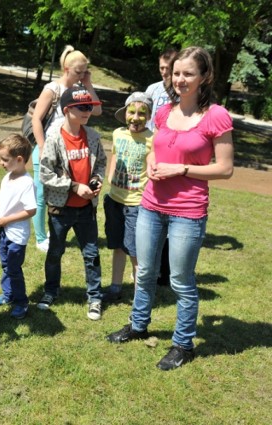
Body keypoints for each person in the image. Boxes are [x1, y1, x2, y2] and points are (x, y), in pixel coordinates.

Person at [106, 46, 234, 370]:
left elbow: (225, 168)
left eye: (188, 73)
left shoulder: (216, 115)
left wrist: (183, 170)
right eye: (176, 73)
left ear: (204, 77)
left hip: (188, 211)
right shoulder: (164, 112)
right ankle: (138, 324)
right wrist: (151, 164)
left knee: (180, 279)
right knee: (145, 271)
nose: (180, 79)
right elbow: (155, 149)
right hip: (151, 203)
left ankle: (183, 343)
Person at [37, 87, 107, 320]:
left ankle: (95, 297)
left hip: (87, 209)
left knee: (91, 253)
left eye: (90, 106)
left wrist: (96, 180)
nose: (88, 110)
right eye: (83, 107)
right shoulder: (54, 138)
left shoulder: (94, 137)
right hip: (61, 209)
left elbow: (100, 165)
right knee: (55, 252)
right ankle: (50, 291)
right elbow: (45, 174)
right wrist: (75, 186)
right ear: (67, 110)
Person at [29, 45, 103, 253]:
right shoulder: (52, 89)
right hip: (47, 149)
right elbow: (36, 119)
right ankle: (41, 238)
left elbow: (96, 110)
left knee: (64, 189)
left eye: (85, 71)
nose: (82, 75)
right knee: (43, 193)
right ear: (66, 69)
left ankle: (56, 230)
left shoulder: (80, 91)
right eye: (78, 72)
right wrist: (42, 148)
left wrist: (88, 83)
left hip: (68, 152)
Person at [103, 92, 153, 301]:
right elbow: (114, 154)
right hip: (115, 200)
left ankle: (139, 294)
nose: (136, 118)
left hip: (136, 203)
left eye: (142, 114)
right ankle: (115, 287)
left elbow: (152, 168)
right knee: (118, 246)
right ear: (125, 114)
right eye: (132, 112)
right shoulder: (118, 133)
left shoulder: (152, 138)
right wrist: (110, 175)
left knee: (135, 251)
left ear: (149, 116)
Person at [0, 134, 37, 319]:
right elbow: (0, 199)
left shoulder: (27, 183)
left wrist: (8, 220)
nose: (1, 163)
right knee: (6, 266)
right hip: (3, 231)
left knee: (14, 270)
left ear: (19, 159)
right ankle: (8, 296)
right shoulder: (7, 177)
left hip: (16, 235)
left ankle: (21, 303)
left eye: (4, 159)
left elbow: (31, 210)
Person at [146, 48, 178, 286]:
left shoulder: (182, 94)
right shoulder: (153, 90)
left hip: (174, 157)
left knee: (169, 213)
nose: (165, 73)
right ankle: (148, 268)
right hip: (152, 153)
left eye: (169, 69)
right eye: (162, 69)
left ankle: (164, 271)